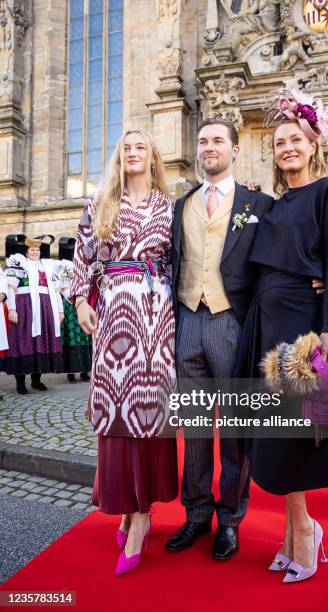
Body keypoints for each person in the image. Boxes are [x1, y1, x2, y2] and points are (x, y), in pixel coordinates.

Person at [166, 116, 323, 560]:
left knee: (236, 429)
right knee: (195, 429)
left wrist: (319, 280)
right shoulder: (182, 205)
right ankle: (195, 514)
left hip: (235, 322)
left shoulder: (261, 202)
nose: (208, 146)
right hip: (187, 324)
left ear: (236, 150)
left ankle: (230, 519)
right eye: (202, 140)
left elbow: (290, 250)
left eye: (217, 140)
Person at [234, 87, 328, 583]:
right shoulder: (271, 203)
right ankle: (291, 534)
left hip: (302, 330)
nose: (287, 148)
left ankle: (306, 532)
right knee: (272, 436)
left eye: (295, 140)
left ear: (312, 144)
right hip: (265, 323)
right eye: (280, 142)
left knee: (296, 434)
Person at [71, 129, 178, 576]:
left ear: (153, 158)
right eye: (126, 148)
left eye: (141, 147)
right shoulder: (100, 204)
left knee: (148, 409)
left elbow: (183, 263)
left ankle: (142, 515)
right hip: (114, 311)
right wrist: (80, 301)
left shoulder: (169, 208)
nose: (133, 153)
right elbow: (83, 256)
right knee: (115, 408)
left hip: (156, 317)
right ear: (119, 158)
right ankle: (128, 508)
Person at [5, 239, 64, 394]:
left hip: (45, 308)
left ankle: (36, 380)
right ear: (26, 252)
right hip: (25, 307)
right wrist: (12, 309)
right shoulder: (19, 265)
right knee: (22, 341)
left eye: (37, 250)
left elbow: (57, 291)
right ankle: (20, 382)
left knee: (42, 342)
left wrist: (60, 311)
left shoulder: (47, 267)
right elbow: (11, 288)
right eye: (31, 250)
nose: (35, 252)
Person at [56, 256, 92, 383]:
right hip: (71, 305)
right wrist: (75, 299)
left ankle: (85, 371)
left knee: (84, 334)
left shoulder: (86, 267)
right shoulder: (65, 268)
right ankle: (70, 372)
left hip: (85, 303)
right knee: (71, 337)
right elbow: (63, 288)